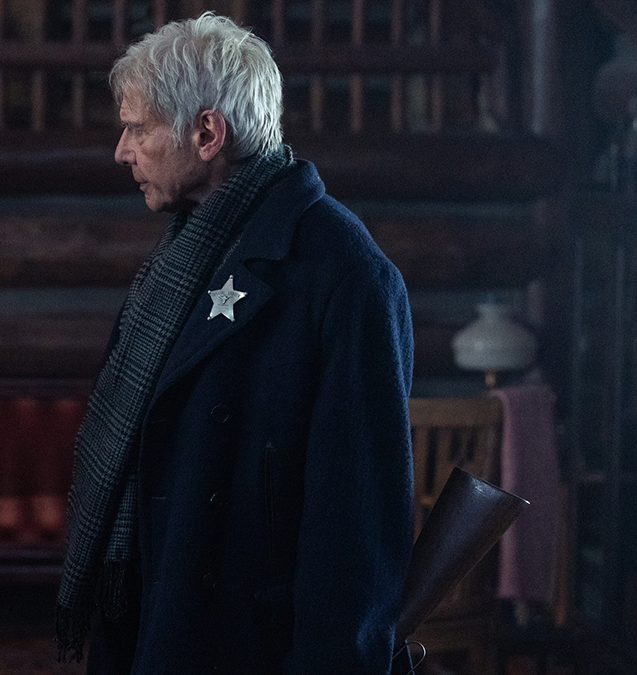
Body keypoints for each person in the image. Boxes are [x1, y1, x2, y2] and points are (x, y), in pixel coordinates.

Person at [56, 13, 414, 675]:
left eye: (137, 128)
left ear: (207, 133)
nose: (122, 151)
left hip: (246, 645)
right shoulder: (186, 252)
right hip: (154, 618)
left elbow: (355, 528)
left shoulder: (346, 274)